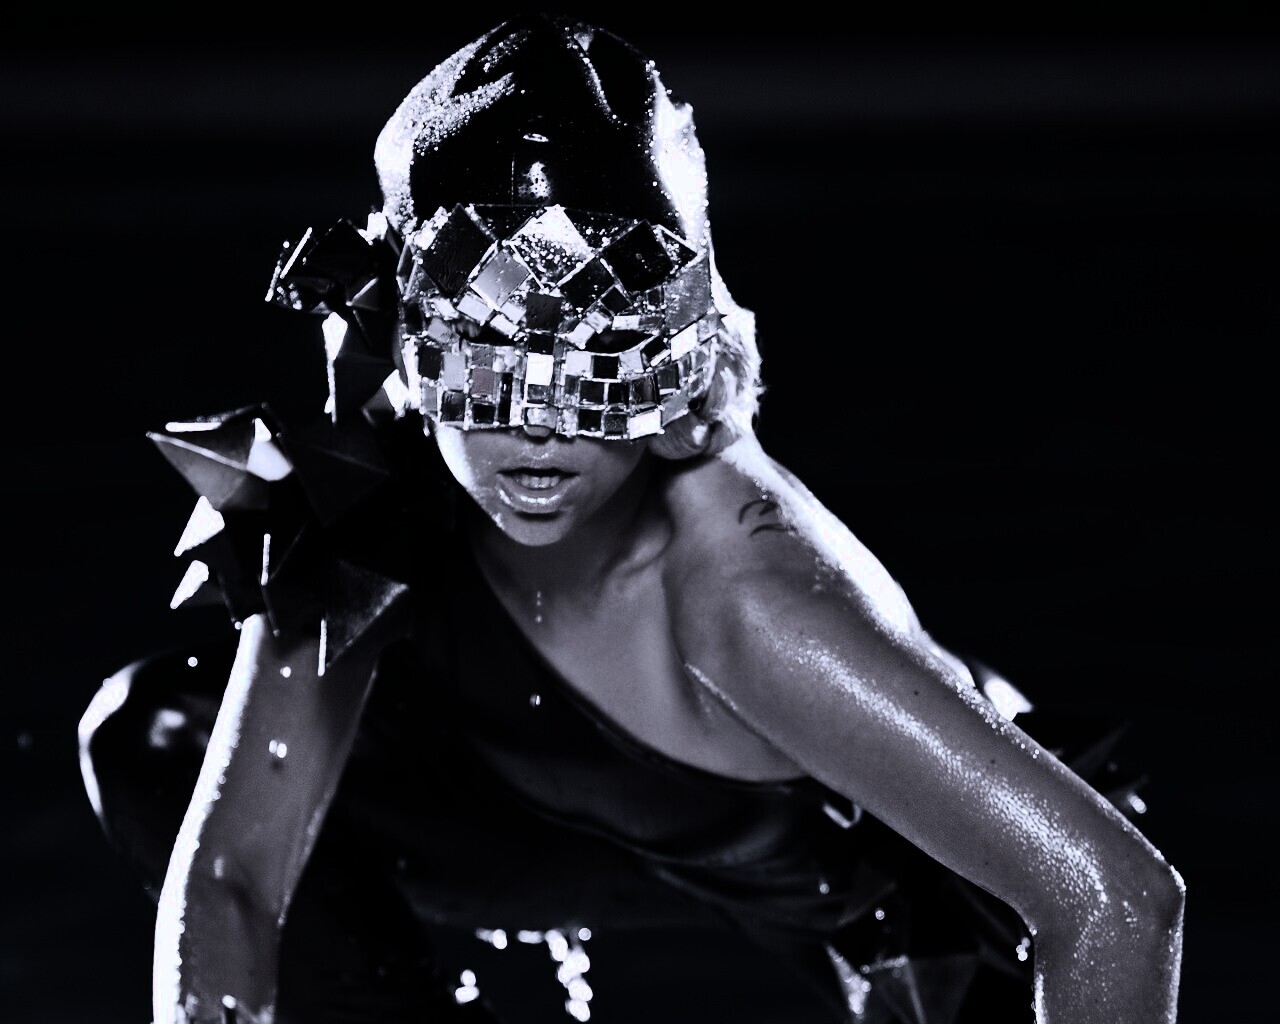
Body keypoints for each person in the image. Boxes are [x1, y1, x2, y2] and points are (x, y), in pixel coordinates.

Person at [78, 14, 1184, 1024]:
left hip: (875, 880)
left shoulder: (744, 593)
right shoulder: (373, 489)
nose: (538, 434)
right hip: (538, 817)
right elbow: (232, 875)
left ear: (674, 356)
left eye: (599, 362)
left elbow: (1116, 901)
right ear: (404, 344)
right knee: (156, 732)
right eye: (486, 361)